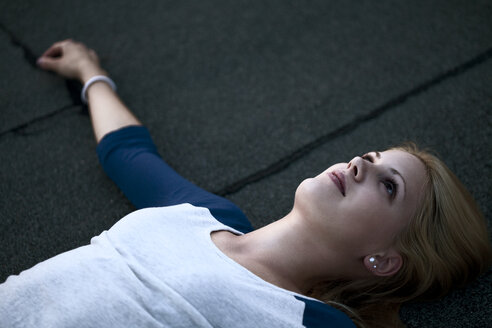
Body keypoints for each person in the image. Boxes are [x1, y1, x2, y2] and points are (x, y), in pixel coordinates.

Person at [0, 39, 490, 328]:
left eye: (389, 187)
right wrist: (90, 71)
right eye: (371, 156)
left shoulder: (312, 322)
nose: (362, 164)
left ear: (383, 259)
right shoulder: (205, 215)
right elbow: (127, 153)